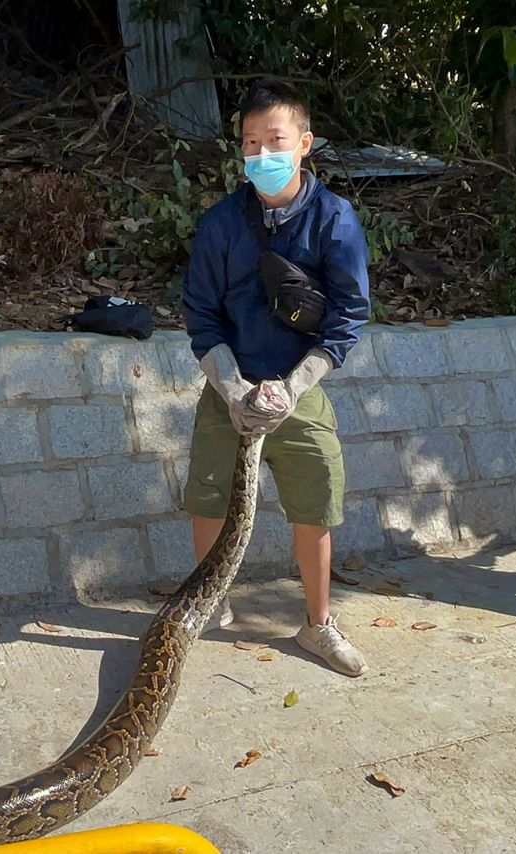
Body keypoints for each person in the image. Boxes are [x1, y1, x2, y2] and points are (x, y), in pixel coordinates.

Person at [180, 79, 371, 677]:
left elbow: (345, 321)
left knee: (315, 507)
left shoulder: (335, 221)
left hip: (298, 391)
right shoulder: (221, 223)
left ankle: (317, 624)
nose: (262, 154)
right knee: (208, 501)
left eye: (275, 140)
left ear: (305, 143)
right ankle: (210, 607)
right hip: (229, 387)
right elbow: (201, 316)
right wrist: (234, 390)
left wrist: (291, 388)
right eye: (250, 142)